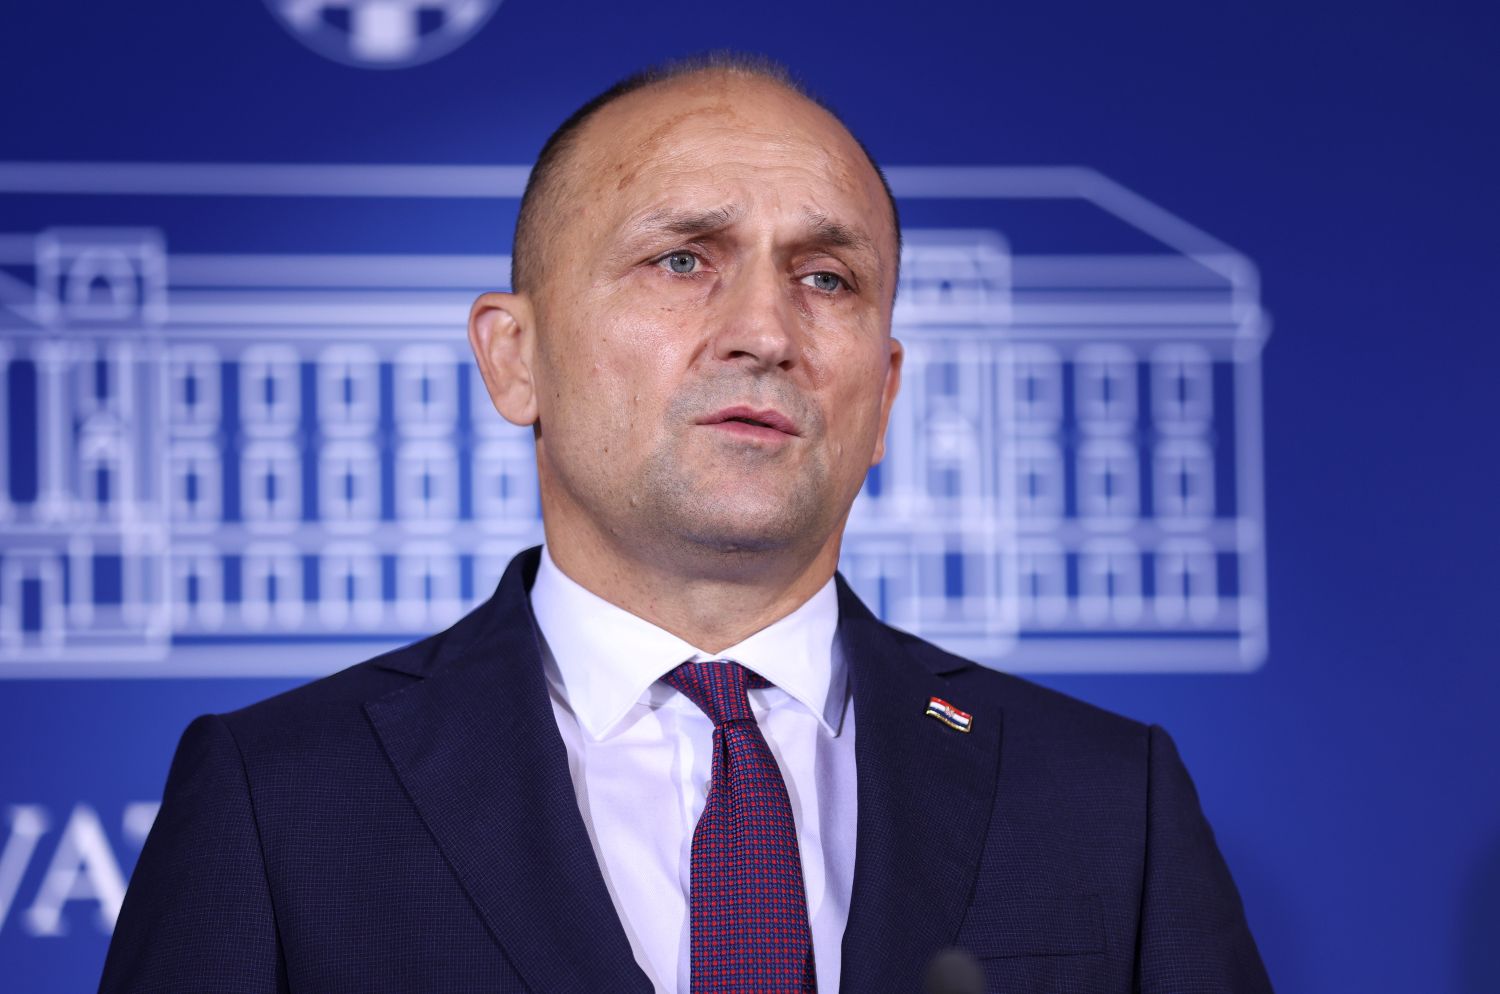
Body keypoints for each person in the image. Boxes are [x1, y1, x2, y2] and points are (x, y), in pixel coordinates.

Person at [99, 55, 1272, 994]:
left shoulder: (1109, 805)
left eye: (827, 278)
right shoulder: (278, 801)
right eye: (680, 259)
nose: (764, 330)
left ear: (884, 396)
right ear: (515, 358)